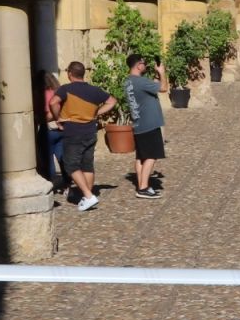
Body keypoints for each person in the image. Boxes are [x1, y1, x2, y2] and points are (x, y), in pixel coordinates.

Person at [52, 60, 115, 211]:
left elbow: (53, 102)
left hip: (73, 131)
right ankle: (87, 196)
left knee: (70, 164)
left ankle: (87, 195)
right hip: (90, 131)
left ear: (70, 74)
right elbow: (112, 101)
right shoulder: (95, 90)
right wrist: (96, 113)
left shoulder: (65, 89)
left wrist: (58, 118)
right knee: (87, 164)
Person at [123, 52, 166, 199]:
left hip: (138, 123)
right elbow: (164, 88)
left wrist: (155, 79)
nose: (145, 65)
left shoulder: (128, 82)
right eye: (143, 63)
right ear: (138, 65)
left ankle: (141, 183)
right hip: (149, 123)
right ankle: (143, 187)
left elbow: (147, 91)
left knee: (141, 157)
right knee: (151, 155)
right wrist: (162, 73)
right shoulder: (140, 81)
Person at [41, 71, 67, 196]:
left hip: (49, 129)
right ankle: (67, 184)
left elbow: (49, 113)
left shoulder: (44, 94)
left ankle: (50, 184)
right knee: (62, 158)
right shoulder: (59, 92)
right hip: (61, 129)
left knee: (48, 159)